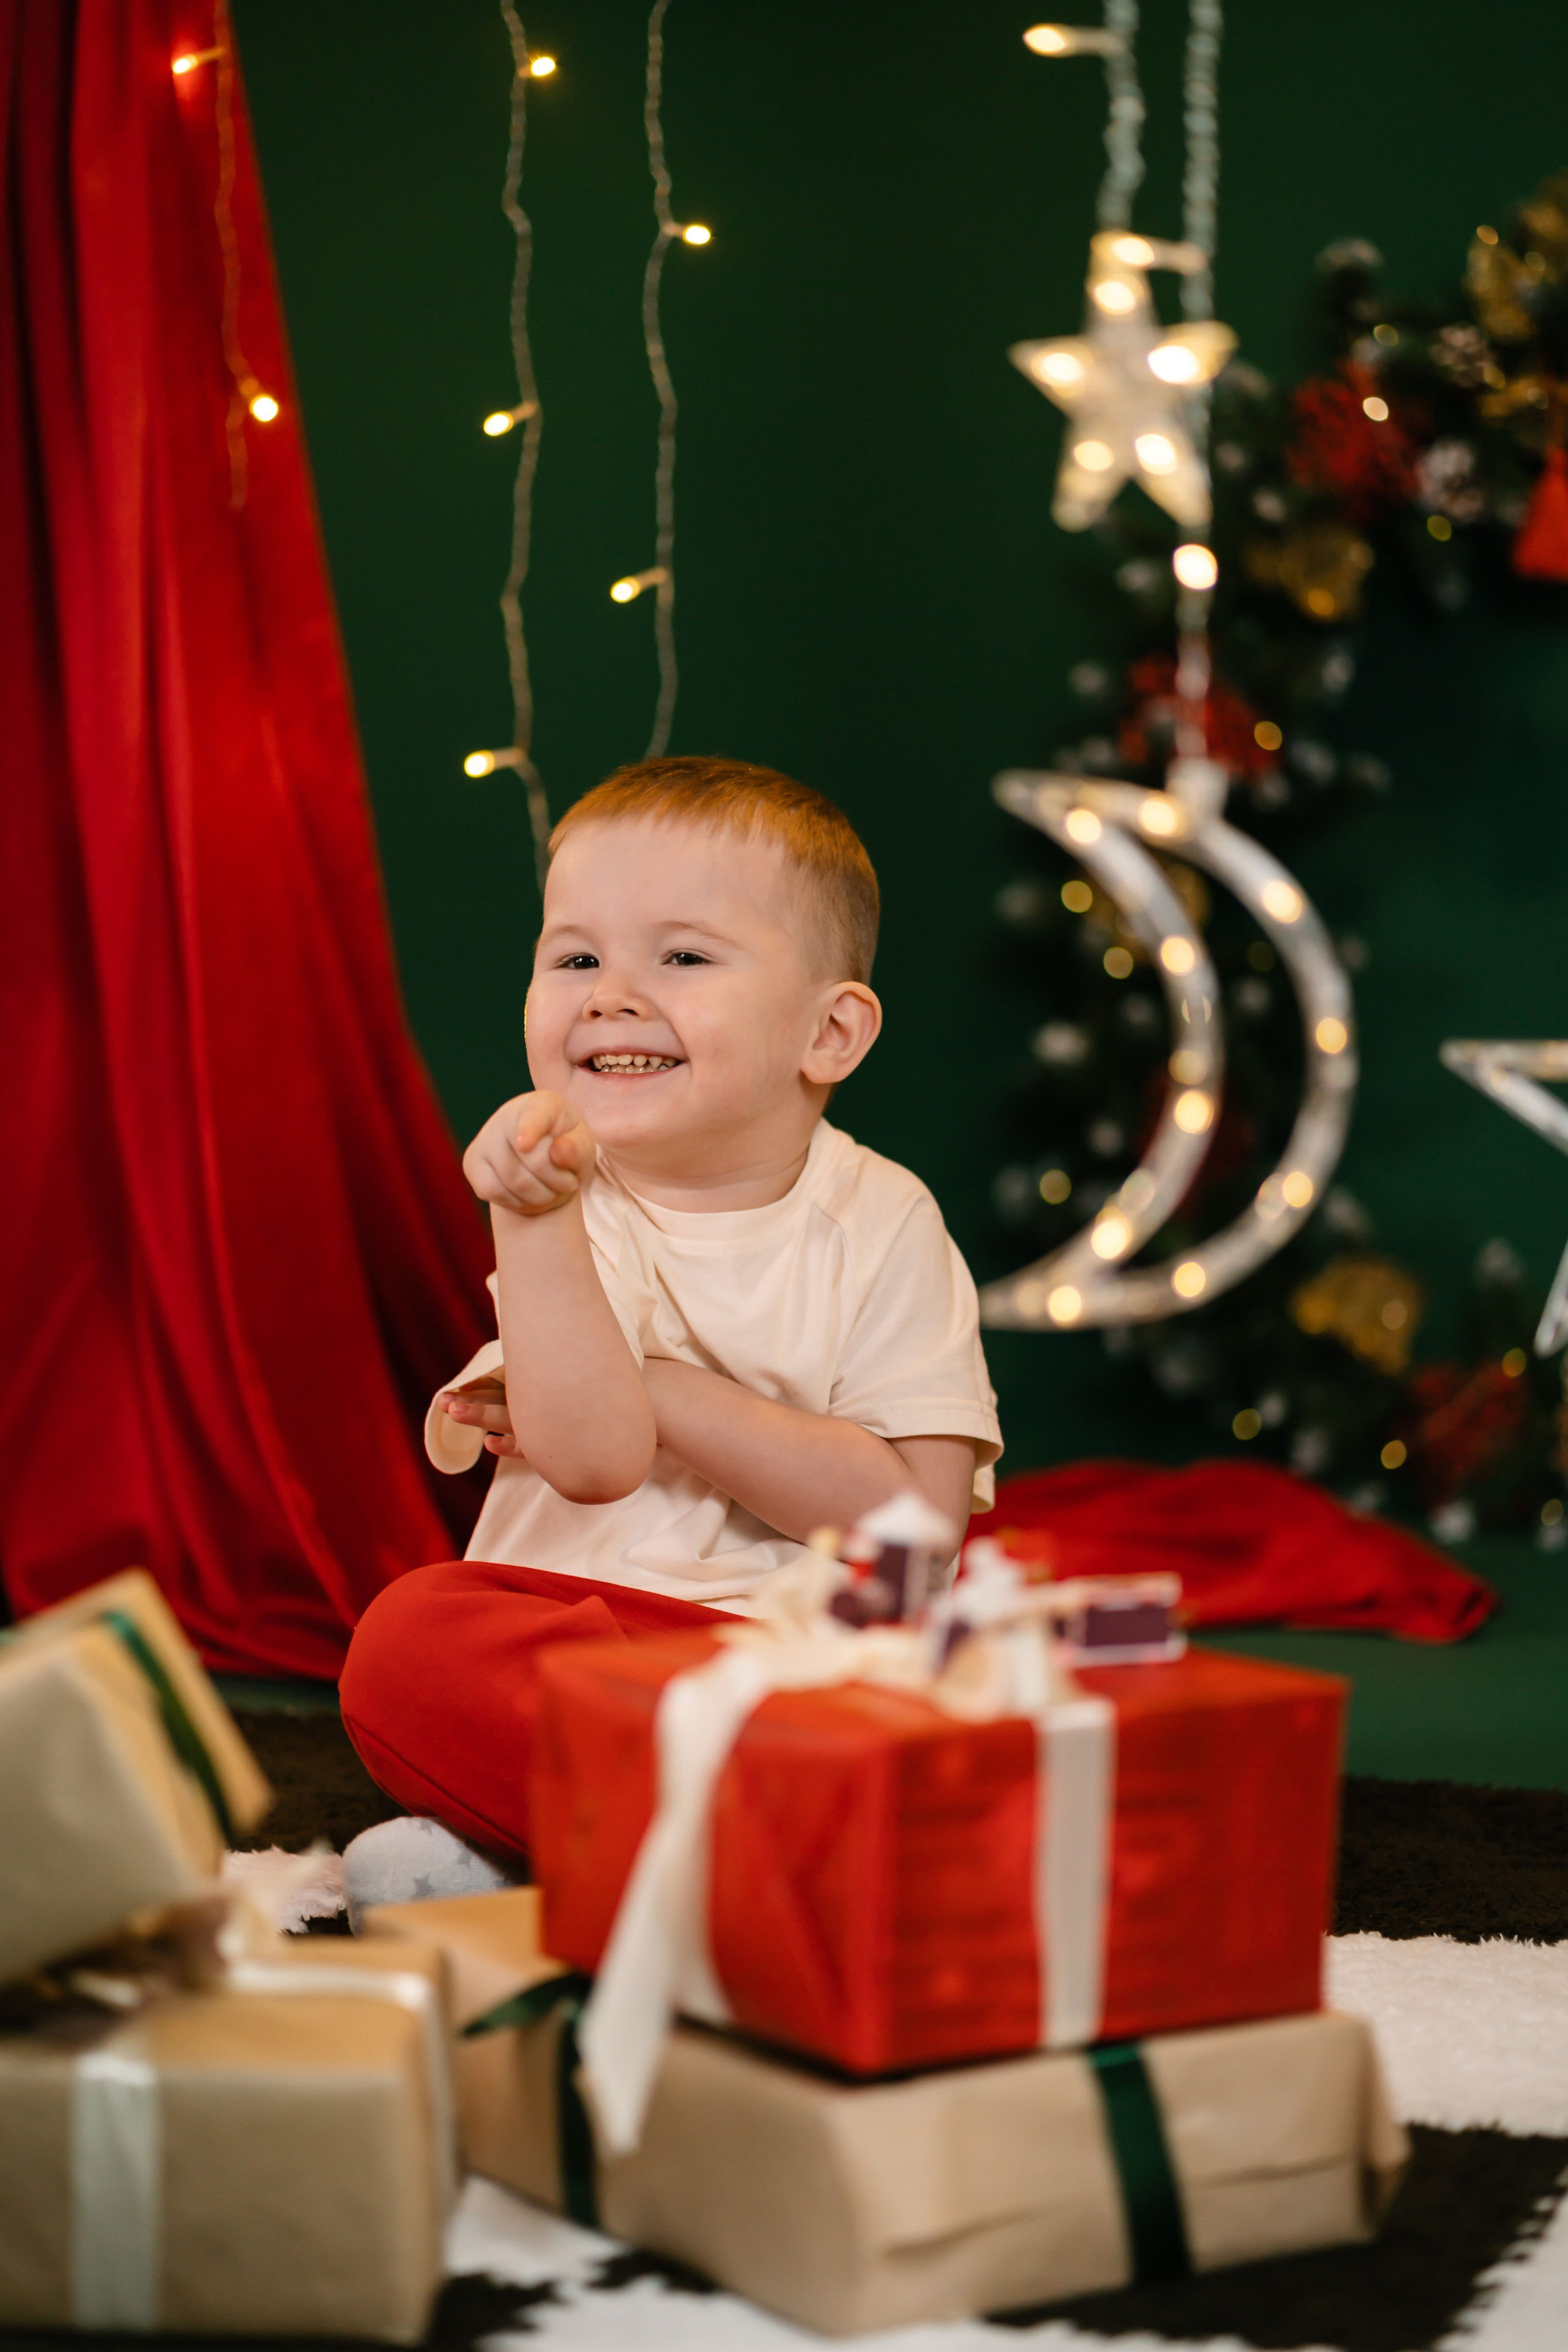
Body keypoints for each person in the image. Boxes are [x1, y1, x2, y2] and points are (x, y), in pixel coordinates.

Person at [337, 756, 1001, 1914]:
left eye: (682, 957)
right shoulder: (561, 1204)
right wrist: (529, 1219)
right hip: (578, 1651)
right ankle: (744, 1849)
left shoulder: (883, 1220)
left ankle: (569, 1851)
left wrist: (665, 1389)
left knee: (929, 1680)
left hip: (784, 1663)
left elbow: (916, 1530)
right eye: (576, 957)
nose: (609, 993)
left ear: (830, 1034)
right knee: (408, 1640)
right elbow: (594, 1460)